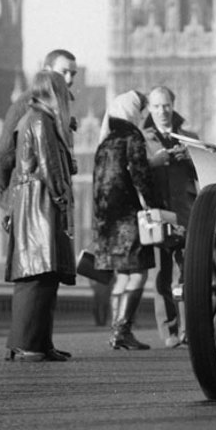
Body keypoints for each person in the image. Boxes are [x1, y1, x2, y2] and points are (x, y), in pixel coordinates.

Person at [4, 71, 76, 362]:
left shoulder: (41, 119)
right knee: (36, 274)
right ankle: (26, 344)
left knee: (47, 275)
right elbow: (48, 166)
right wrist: (62, 199)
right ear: (53, 93)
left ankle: (41, 342)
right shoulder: (40, 120)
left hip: (38, 201)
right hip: (40, 204)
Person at [91, 90, 164, 350]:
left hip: (105, 221)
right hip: (127, 218)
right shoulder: (131, 136)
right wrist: (156, 206)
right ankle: (123, 331)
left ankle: (116, 330)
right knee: (138, 274)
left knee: (121, 275)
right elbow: (139, 175)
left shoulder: (106, 140)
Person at [142, 85, 199, 348]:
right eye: (156, 106)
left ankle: (188, 330)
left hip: (184, 211)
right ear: (149, 109)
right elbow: (134, 174)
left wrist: (190, 157)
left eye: (166, 105)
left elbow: (201, 173)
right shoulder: (142, 139)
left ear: (172, 106)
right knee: (162, 275)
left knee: (186, 272)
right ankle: (169, 331)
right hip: (156, 213)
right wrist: (154, 161)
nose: (162, 111)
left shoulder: (188, 136)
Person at [0, 48, 79, 213]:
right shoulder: (27, 105)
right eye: (64, 72)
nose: (69, 79)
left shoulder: (59, 107)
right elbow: (1, 155)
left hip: (48, 203)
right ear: (46, 71)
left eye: (73, 74)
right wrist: (8, 193)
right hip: (32, 203)